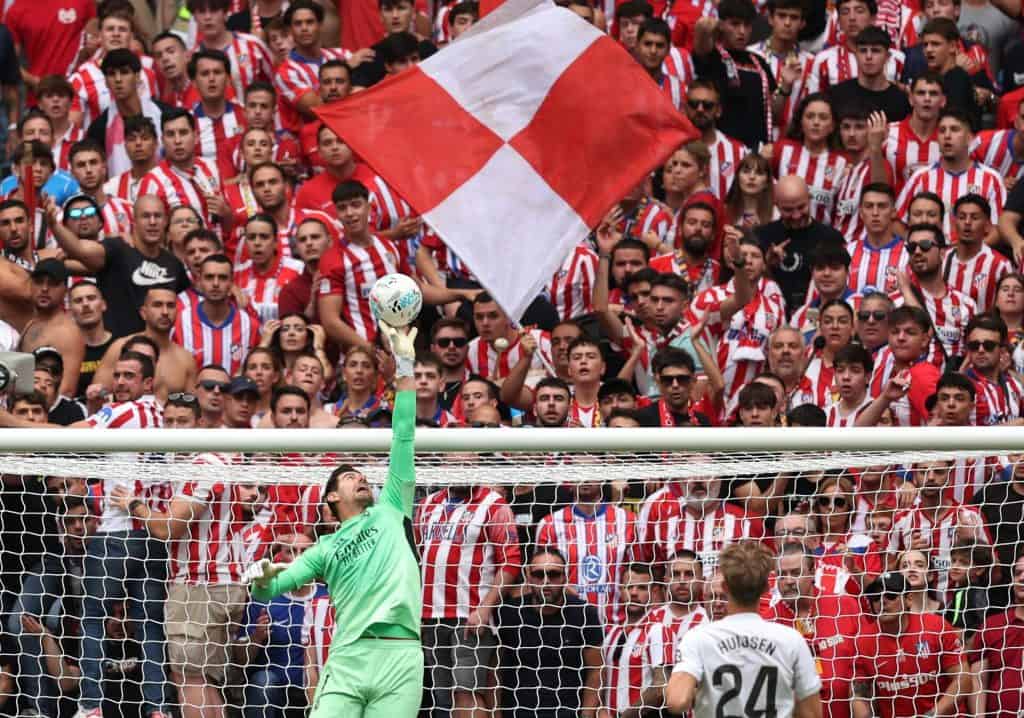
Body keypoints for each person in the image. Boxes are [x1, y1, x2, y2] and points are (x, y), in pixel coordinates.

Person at [244, 321, 424, 716]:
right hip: (348, 658)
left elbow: (404, 433)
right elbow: (271, 589)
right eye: (348, 476)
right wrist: (261, 579)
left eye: (361, 475)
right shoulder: (323, 548)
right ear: (330, 497)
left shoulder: (393, 507)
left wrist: (405, 366)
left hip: (401, 657)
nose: (360, 477)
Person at [666, 541, 823, 718]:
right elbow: (812, 714)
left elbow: (677, 701)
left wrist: (707, 692)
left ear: (725, 588)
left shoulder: (698, 638)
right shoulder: (791, 639)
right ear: (765, 588)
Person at [415, 476, 521, 717]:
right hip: (431, 617)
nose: (461, 469)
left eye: (468, 462)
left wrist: (485, 608)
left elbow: (511, 560)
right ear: (443, 465)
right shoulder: (428, 504)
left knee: (467, 692)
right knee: (443, 696)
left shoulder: (495, 504)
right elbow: (419, 558)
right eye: (456, 463)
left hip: (469, 616)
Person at [47, 193, 190, 339]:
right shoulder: (117, 250)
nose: (152, 222)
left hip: (161, 352)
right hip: (120, 353)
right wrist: (54, 225)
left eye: (157, 216)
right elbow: (79, 248)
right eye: (146, 216)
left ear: (165, 221)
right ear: (134, 221)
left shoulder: (174, 264)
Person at [492, 547, 603, 717]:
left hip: (567, 712)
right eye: (538, 575)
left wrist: (586, 714)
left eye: (553, 574)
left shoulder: (584, 614)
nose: (545, 581)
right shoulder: (508, 613)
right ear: (528, 577)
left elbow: (597, 670)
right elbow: (494, 671)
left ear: (564, 577)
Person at [852, 572, 970, 718]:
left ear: (909, 599)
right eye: (875, 598)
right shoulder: (863, 640)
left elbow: (964, 680)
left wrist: (930, 716)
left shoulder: (936, 626)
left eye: (890, 595)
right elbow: (859, 695)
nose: (882, 602)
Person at [896, 108, 1005, 237]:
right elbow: (897, 222)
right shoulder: (921, 177)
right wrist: (919, 246)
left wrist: (967, 254)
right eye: (942, 131)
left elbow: (998, 229)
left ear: (969, 138)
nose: (947, 136)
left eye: (954, 129)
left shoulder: (991, 179)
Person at [692, 0, 779, 149]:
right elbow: (701, 43)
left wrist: (786, 88)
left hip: (755, 152)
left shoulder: (759, 62)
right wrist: (706, 28)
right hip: (720, 149)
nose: (742, 31)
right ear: (721, 26)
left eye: (747, 25)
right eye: (735, 24)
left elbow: (772, 111)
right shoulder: (711, 56)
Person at [756, 176, 846, 310]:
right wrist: (766, 265)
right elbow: (748, 284)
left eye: (801, 207)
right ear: (776, 205)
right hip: (772, 315)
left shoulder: (831, 238)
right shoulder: (762, 236)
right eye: (788, 210)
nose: (796, 215)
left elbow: (842, 283)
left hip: (817, 315)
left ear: (810, 198)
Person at [173, 254, 261, 375]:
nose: (215, 283)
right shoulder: (181, 322)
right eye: (209, 277)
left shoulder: (250, 326)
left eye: (223, 278)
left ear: (231, 282)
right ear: (199, 281)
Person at [18, 258, 84, 397]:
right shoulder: (31, 323)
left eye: (52, 283)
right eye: (39, 282)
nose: (44, 289)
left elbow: (66, 391)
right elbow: (21, 379)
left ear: (65, 290)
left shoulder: (67, 333)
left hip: (47, 415)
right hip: (25, 409)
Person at [829, 27, 911, 121]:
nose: (868, 56)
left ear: (887, 57)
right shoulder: (838, 94)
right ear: (856, 55)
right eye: (863, 51)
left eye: (875, 51)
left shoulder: (900, 100)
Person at [846, 183, 907, 295]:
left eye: (882, 206)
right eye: (869, 206)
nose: (875, 213)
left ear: (893, 212)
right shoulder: (847, 252)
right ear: (861, 213)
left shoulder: (908, 254)